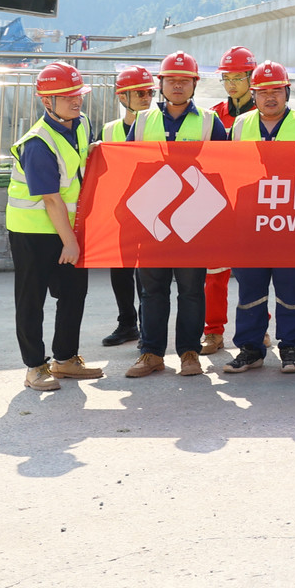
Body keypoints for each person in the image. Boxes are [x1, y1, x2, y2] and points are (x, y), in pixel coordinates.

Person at [125, 51, 231, 379]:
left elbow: (224, 171)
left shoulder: (210, 122)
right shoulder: (144, 121)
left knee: (191, 290)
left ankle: (189, 352)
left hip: (192, 221)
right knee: (151, 291)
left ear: (195, 84)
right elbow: (126, 165)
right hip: (152, 219)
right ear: (161, 84)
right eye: (171, 80)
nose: (178, 86)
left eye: (185, 81)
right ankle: (151, 353)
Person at [8, 62, 100, 392]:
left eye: (78, 94)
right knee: (31, 300)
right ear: (47, 101)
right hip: (32, 232)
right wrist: (70, 242)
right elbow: (51, 199)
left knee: (74, 293)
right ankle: (35, 366)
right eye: (68, 96)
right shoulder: (37, 143)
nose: (77, 101)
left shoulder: (82, 123)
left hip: (66, 227)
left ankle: (65, 359)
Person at [224, 61, 295, 375]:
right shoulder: (240, 126)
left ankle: (291, 348)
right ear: (253, 94)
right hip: (250, 224)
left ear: (287, 92)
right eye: (263, 92)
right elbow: (228, 173)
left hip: (293, 224)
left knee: (292, 292)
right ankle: (250, 349)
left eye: (276, 90)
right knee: (250, 292)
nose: (270, 97)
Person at [200, 45, 258, 357]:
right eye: (227, 78)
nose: (232, 84)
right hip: (218, 204)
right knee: (215, 274)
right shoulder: (213, 117)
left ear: (252, 77)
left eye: (238, 77)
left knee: (254, 274)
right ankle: (213, 331)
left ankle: (258, 329)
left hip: (252, 203)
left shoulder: (264, 114)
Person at [97, 63, 154, 348]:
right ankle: (127, 323)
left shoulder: (157, 126)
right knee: (120, 270)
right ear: (122, 96)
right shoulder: (109, 131)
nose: (146, 97)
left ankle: (147, 326)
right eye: (139, 93)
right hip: (120, 212)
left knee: (146, 275)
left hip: (151, 210)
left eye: (149, 92)